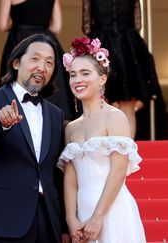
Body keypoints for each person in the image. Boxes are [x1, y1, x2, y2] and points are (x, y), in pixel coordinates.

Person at [0, 34, 68, 242]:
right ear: (16, 63)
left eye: (49, 62)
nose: (42, 67)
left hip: (48, 222)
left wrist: (64, 226)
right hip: (4, 219)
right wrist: (1, 124)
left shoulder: (55, 114)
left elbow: (57, 173)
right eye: (35, 59)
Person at [58, 37, 146, 242]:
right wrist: (71, 218)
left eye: (85, 73)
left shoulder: (115, 117)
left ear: (102, 79)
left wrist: (98, 217)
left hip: (113, 211)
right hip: (82, 215)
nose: (77, 80)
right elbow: (71, 178)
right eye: (73, 75)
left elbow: (118, 170)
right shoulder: (71, 127)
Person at [82, 0, 164, 138]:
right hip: (128, 45)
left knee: (101, 101)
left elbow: (86, 25)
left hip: (101, 42)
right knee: (128, 107)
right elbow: (137, 24)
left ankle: (103, 150)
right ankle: (127, 152)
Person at [0, 0, 81, 121]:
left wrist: (19, 24)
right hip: (45, 40)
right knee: (51, 86)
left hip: (20, 38)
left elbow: (3, 25)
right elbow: (56, 27)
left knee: (17, 84)